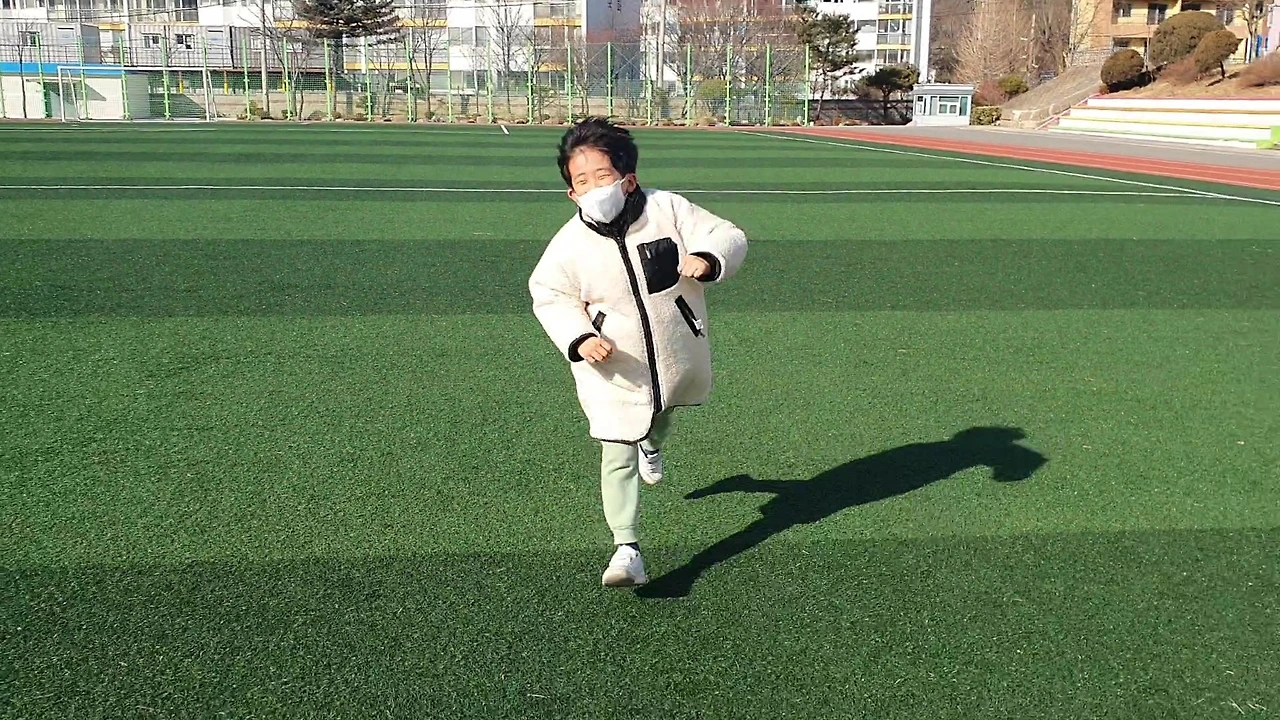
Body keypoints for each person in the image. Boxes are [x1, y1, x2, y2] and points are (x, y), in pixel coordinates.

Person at [528, 117, 748, 588]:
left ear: (628, 179)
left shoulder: (667, 209)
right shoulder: (569, 245)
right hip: (614, 367)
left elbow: (727, 234)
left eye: (602, 176)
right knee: (616, 448)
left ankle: (653, 444)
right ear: (571, 193)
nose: (593, 188)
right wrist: (580, 338)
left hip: (674, 351)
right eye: (581, 181)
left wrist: (708, 258)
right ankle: (626, 549)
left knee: (661, 414)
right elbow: (549, 295)